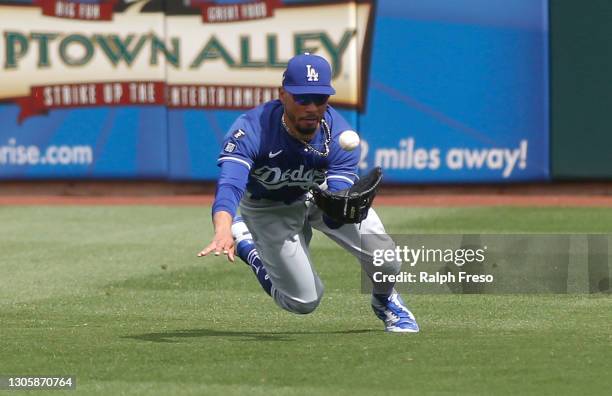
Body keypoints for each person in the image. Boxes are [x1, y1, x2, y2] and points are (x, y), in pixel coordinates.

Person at [198, 53, 419, 333]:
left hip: (320, 194)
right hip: (270, 207)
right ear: (283, 95)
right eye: (303, 98)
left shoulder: (338, 136)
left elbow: (336, 207)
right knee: (303, 301)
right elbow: (230, 184)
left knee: (386, 259)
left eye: (320, 98)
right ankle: (247, 245)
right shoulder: (252, 129)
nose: (312, 107)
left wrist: (340, 210)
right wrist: (223, 229)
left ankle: (386, 301)